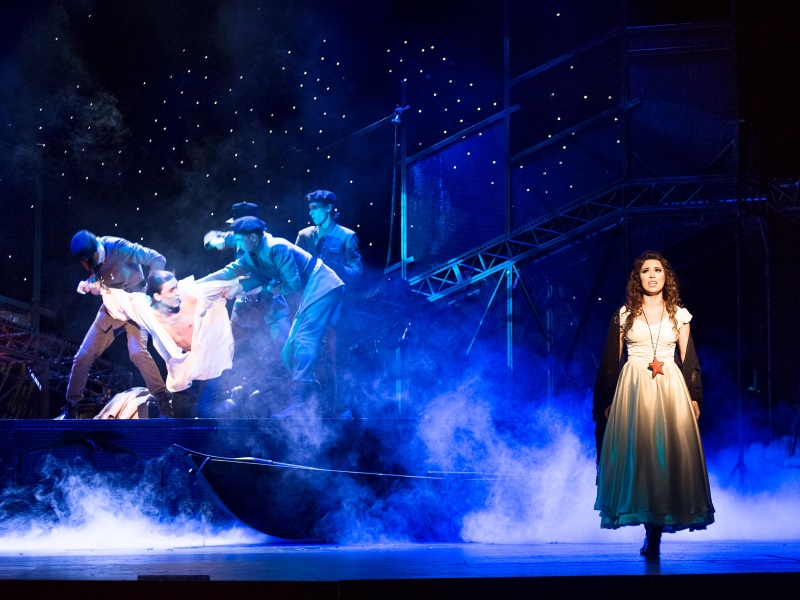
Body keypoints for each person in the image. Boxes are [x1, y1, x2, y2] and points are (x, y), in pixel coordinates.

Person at [593, 250, 714, 558]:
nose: (651, 275)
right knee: (640, 458)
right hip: (633, 390)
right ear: (638, 278)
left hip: (669, 391)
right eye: (645, 270)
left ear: (666, 276)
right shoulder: (625, 315)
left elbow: (690, 359)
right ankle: (649, 525)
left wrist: (695, 395)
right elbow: (611, 361)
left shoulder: (679, 315)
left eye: (657, 270)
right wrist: (607, 398)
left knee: (665, 458)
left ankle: (655, 531)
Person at [197, 216, 344, 417]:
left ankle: (303, 399)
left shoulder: (277, 247)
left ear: (253, 237)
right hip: (311, 291)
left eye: (240, 239)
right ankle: (310, 396)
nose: (237, 244)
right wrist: (196, 286)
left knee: (304, 338)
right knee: (288, 351)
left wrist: (267, 288)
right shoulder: (252, 253)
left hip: (324, 284)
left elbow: (293, 285)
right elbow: (228, 272)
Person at [100, 270, 240, 417]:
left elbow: (228, 283)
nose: (177, 293)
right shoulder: (144, 308)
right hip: (186, 368)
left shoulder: (193, 294)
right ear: (157, 296)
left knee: (205, 411)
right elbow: (121, 298)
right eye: (171, 290)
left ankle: (234, 404)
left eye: (176, 287)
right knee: (179, 413)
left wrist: (244, 282)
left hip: (213, 356)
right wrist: (100, 287)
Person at [63, 230, 171, 419]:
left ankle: (163, 399)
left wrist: (149, 293)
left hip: (134, 308)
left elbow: (157, 259)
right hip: (112, 309)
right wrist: (89, 284)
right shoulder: (90, 261)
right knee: (82, 356)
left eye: (97, 259)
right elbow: (100, 280)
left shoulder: (119, 248)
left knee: (137, 352)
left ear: (98, 247)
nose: (97, 264)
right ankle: (71, 407)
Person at [204, 202, 291, 393]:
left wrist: (262, 289)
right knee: (228, 344)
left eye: (238, 223)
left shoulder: (268, 245)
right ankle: (222, 390)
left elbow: (275, 279)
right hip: (244, 301)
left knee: (283, 347)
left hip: (269, 300)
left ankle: (290, 389)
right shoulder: (237, 236)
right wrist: (214, 240)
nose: (234, 230)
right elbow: (210, 236)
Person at [296, 190, 363, 418]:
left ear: (328, 209)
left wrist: (340, 268)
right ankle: (305, 409)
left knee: (337, 359)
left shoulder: (347, 236)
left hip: (336, 308)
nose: (311, 212)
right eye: (310, 208)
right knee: (304, 356)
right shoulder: (304, 236)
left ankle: (341, 408)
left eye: (315, 208)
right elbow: (296, 270)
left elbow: (357, 272)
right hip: (311, 305)